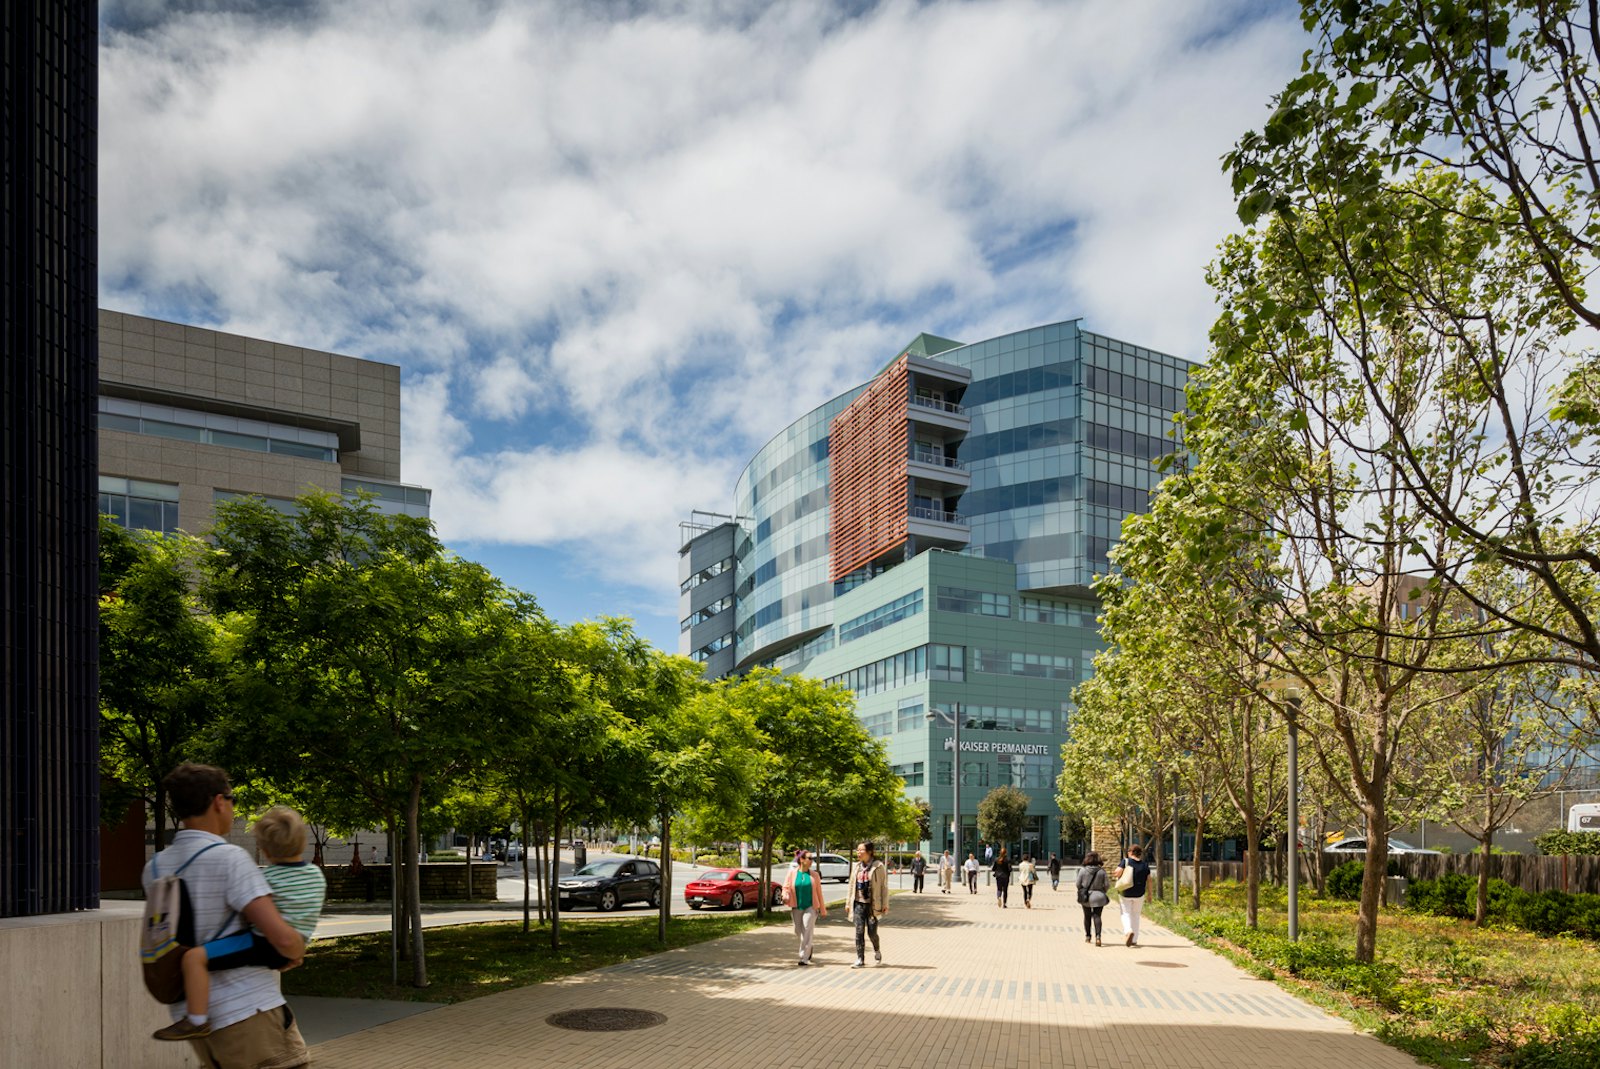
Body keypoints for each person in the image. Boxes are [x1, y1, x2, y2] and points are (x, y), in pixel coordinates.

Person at [140, 764, 309, 1068]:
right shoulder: (231, 859)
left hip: (193, 1018)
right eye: (232, 800)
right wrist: (296, 950)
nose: (232, 808)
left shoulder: (155, 868)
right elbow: (281, 936)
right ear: (219, 801)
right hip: (247, 1011)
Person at [155, 806, 327, 1043]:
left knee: (194, 957)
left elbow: (250, 913)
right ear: (302, 842)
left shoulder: (266, 878)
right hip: (294, 945)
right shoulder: (316, 875)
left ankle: (196, 1020)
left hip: (261, 944)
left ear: (264, 850)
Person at [783, 850, 828, 965]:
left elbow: (819, 893)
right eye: (809, 858)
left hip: (811, 907)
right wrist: (785, 894)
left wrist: (822, 909)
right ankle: (809, 946)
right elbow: (786, 887)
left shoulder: (814, 875)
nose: (811, 860)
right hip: (796, 906)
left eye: (812, 858)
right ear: (802, 860)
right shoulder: (792, 873)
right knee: (798, 931)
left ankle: (803, 957)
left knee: (807, 929)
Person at [848, 841, 888, 968]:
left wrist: (885, 904)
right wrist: (848, 902)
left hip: (872, 905)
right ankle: (860, 958)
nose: (858, 852)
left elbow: (884, 887)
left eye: (861, 850)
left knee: (872, 933)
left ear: (869, 852)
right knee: (859, 931)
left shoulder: (878, 866)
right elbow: (851, 885)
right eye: (857, 850)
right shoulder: (856, 866)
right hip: (858, 904)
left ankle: (877, 949)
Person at [1114, 844, 1152, 947]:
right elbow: (1149, 880)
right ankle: (1134, 940)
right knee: (1136, 915)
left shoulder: (1126, 861)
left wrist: (1117, 873)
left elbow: (1117, 873)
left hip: (1126, 892)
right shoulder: (1145, 865)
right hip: (1139, 893)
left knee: (1125, 913)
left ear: (1130, 853)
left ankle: (1128, 931)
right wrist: (1150, 895)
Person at [1076, 851, 1110, 945]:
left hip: (1086, 897)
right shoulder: (1101, 871)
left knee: (1087, 917)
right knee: (1097, 916)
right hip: (1099, 896)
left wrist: (1083, 890)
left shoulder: (1082, 870)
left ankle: (1088, 936)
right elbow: (1107, 885)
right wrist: (1102, 891)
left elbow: (1078, 884)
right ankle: (1098, 937)